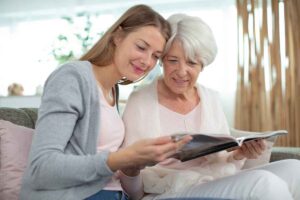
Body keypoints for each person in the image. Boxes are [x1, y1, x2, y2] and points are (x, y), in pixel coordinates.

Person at [19, 5, 192, 200]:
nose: (146, 61)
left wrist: (132, 167)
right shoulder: (72, 77)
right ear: (118, 36)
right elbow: (42, 168)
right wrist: (121, 158)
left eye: (155, 56)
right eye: (141, 47)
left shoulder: (113, 91)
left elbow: (132, 192)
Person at [122, 14, 300, 200]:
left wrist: (240, 155)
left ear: (203, 65)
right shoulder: (140, 101)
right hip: (167, 191)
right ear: (162, 60)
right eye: (173, 60)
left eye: (191, 62)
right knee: (264, 183)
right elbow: (130, 179)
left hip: (211, 182)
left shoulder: (210, 98)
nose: (181, 71)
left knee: (295, 169)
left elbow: (223, 162)